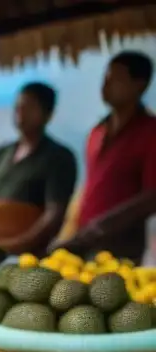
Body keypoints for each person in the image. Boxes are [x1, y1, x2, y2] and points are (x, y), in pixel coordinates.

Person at [51, 51, 156, 262]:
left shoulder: (150, 132)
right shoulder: (97, 132)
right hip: (82, 242)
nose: (105, 86)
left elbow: (152, 197)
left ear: (140, 85)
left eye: (115, 79)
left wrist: (101, 227)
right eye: (105, 78)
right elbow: (90, 186)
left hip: (121, 247)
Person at [0, 82, 77, 255]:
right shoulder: (1, 153)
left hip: (19, 253)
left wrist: (15, 246)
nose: (21, 112)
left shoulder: (59, 157)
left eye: (29, 107)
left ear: (48, 114)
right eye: (18, 106)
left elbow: (54, 215)